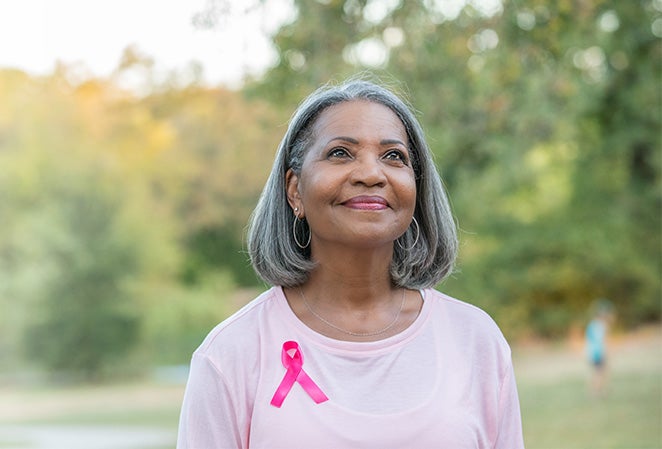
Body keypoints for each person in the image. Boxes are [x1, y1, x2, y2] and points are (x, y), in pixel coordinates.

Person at [176, 78, 525, 448]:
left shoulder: (475, 340)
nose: (371, 174)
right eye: (340, 153)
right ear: (295, 190)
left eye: (393, 156)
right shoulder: (232, 353)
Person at [585, 299, 613, 397]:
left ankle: (597, 392)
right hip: (598, 353)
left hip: (591, 353)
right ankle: (596, 393)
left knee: (597, 373)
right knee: (600, 373)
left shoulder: (592, 325)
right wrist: (606, 353)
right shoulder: (601, 326)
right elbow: (602, 341)